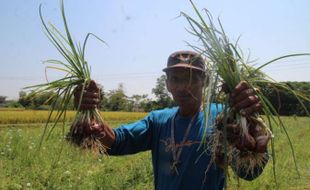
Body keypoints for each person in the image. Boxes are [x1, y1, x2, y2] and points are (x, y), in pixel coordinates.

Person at [75, 50, 270, 190]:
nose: (183, 87)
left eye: (192, 78)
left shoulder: (221, 117)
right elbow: (117, 141)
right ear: (167, 84)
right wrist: (91, 114)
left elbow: (249, 173)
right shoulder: (158, 121)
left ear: (206, 81)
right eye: (175, 79)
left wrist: (251, 134)